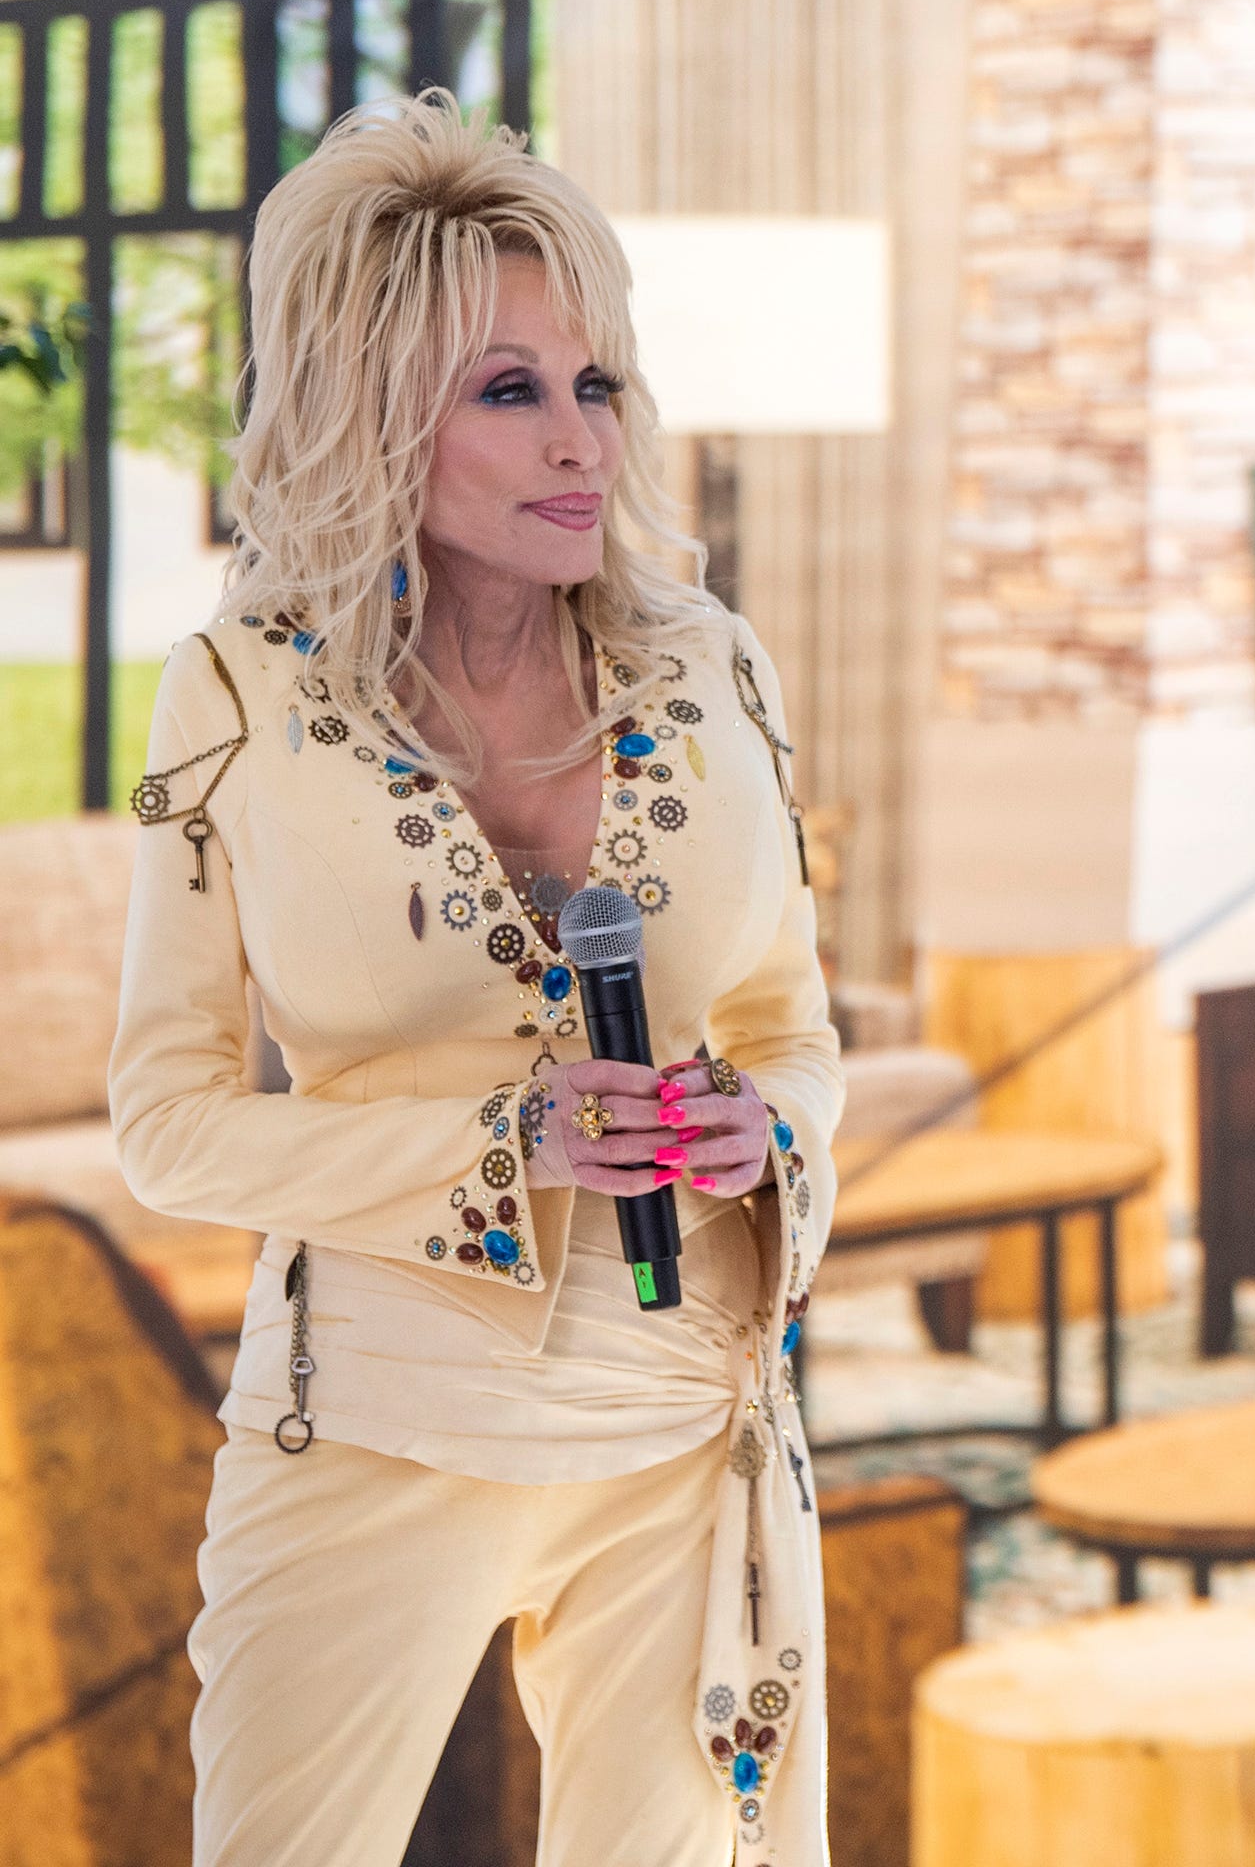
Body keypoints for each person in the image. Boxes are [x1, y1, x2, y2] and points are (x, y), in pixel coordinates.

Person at [108, 92, 840, 1866]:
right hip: (373, 1418)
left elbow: (791, 1030)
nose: (579, 438)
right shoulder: (239, 695)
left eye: (596, 383)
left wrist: (760, 1131)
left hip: (684, 1421)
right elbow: (169, 1125)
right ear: (374, 412)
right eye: (508, 390)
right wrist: (507, 1139)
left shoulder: (712, 668)